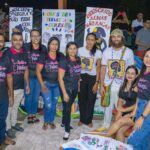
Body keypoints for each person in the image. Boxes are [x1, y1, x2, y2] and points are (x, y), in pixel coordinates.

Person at [99, 29, 134, 131]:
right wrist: (101, 85)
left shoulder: (128, 52)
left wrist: (130, 85)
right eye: (114, 37)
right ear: (111, 39)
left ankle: (117, 127)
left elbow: (132, 69)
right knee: (107, 106)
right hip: (108, 83)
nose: (116, 39)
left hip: (122, 84)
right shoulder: (107, 51)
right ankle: (105, 125)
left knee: (120, 107)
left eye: (118, 36)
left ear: (122, 38)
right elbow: (103, 68)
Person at [99, 65, 138, 142]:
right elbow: (120, 99)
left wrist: (123, 110)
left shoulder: (137, 87)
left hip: (134, 114)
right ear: (125, 74)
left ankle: (104, 136)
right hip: (124, 111)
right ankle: (118, 146)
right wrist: (119, 109)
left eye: (132, 73)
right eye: (128, 73)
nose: (129, 75)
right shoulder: (123, 85)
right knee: (119, 131)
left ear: (136, 76)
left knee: (118, 122)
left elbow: (138, 104)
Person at [6, 32, 30, 139]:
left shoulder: (24, 53)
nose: (18, 42)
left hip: (20, 86)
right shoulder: (7, 53)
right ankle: (7, 128)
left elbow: (25, 69)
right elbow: (5, 73)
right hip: (9, 88)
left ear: (22, 41)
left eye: (20, 39)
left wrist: (27, 84)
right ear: (11, 41)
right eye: (15, 39)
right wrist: (9, 91)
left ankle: (14, 123)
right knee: (8, 109)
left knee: (15, 106)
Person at [36, 37, 63, 130]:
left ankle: (51, 121)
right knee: (48, 104)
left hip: (57, 85)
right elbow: (38, 71)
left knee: (54, 104)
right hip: (46, 84)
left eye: (56, 44)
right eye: (52, 44)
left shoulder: (60, 56)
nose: (54, 46)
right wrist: (42, 84)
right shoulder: (43, 56)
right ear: (49, 45)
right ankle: (46, 121)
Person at [127, 48, 150, 150]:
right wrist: (135, 110)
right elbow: (139, 94)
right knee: (143, 141)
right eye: (147, 56)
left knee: (134, 140)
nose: (148, 59)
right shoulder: (143, 72)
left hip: (147, 111)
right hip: (141, 107)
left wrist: (142, 117)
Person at [78, 33, 102, 128]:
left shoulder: (98, 52)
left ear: (95, 41)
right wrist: (77, 79)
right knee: (81, 98)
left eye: (92, 39)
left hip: (93, 78)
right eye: (88, 39)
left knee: (91, 99)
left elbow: (99, 67)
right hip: (82, 77)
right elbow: (77, 65)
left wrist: (97, 83)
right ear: (86, 40)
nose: (90, 41)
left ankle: (89, 120)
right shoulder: (80, 50)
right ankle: (82, 119)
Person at [58, 42, 81, 140]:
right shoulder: (64, 61)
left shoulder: (78, 59)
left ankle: (63, 122)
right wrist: (64, 93)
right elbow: (60, 78)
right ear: (67, 50)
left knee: (68, 106)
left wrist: (78, 85)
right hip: (66, 88)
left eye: (74, 48)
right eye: (70, 48)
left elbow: (78, 74)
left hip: (75, 88)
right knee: (67, 110)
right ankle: (67, 130)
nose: (72, 50)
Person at [24, 29, 47, 124]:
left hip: (38, 77)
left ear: (40, 37)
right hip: (28, 76)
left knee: (35, 97)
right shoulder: (25, 47)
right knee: (28, 96)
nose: (35, 37)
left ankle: (33, 114)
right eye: (33, 35)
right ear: (30, 37)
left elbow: (46, 63)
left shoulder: (44, 48)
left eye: (37, 35)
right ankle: (29, 115)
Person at [0, 33, 15, 147]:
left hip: (3, 94)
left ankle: (2, 138)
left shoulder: (6, 57)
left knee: (2, 118)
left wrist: (11, 94)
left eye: (1, 41)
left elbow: (9, 77)